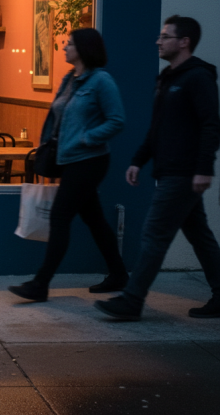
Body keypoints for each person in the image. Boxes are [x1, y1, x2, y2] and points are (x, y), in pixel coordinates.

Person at [95, 16, 220, 320]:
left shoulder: (198, 78)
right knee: (199, 235)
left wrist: (205, 168)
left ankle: (132, 301)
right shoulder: (167, 78)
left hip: (184, 171)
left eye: (165, 36)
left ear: (184, 41)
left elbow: (210, 124)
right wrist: (139, 159)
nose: (158, 41)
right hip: (170, 170)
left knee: (154, 234)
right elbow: (158, 128)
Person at [8, 28, 127, 302]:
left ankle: (40, 284)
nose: (64, 47)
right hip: (68, 159)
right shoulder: (69, 80)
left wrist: (87, 137)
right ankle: (119, 273)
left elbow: (117, 120)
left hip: (89, 160)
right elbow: (58, 118)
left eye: (69, 44)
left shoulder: (101, 81)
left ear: (83, 49)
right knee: (94, 218)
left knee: (60, 217)